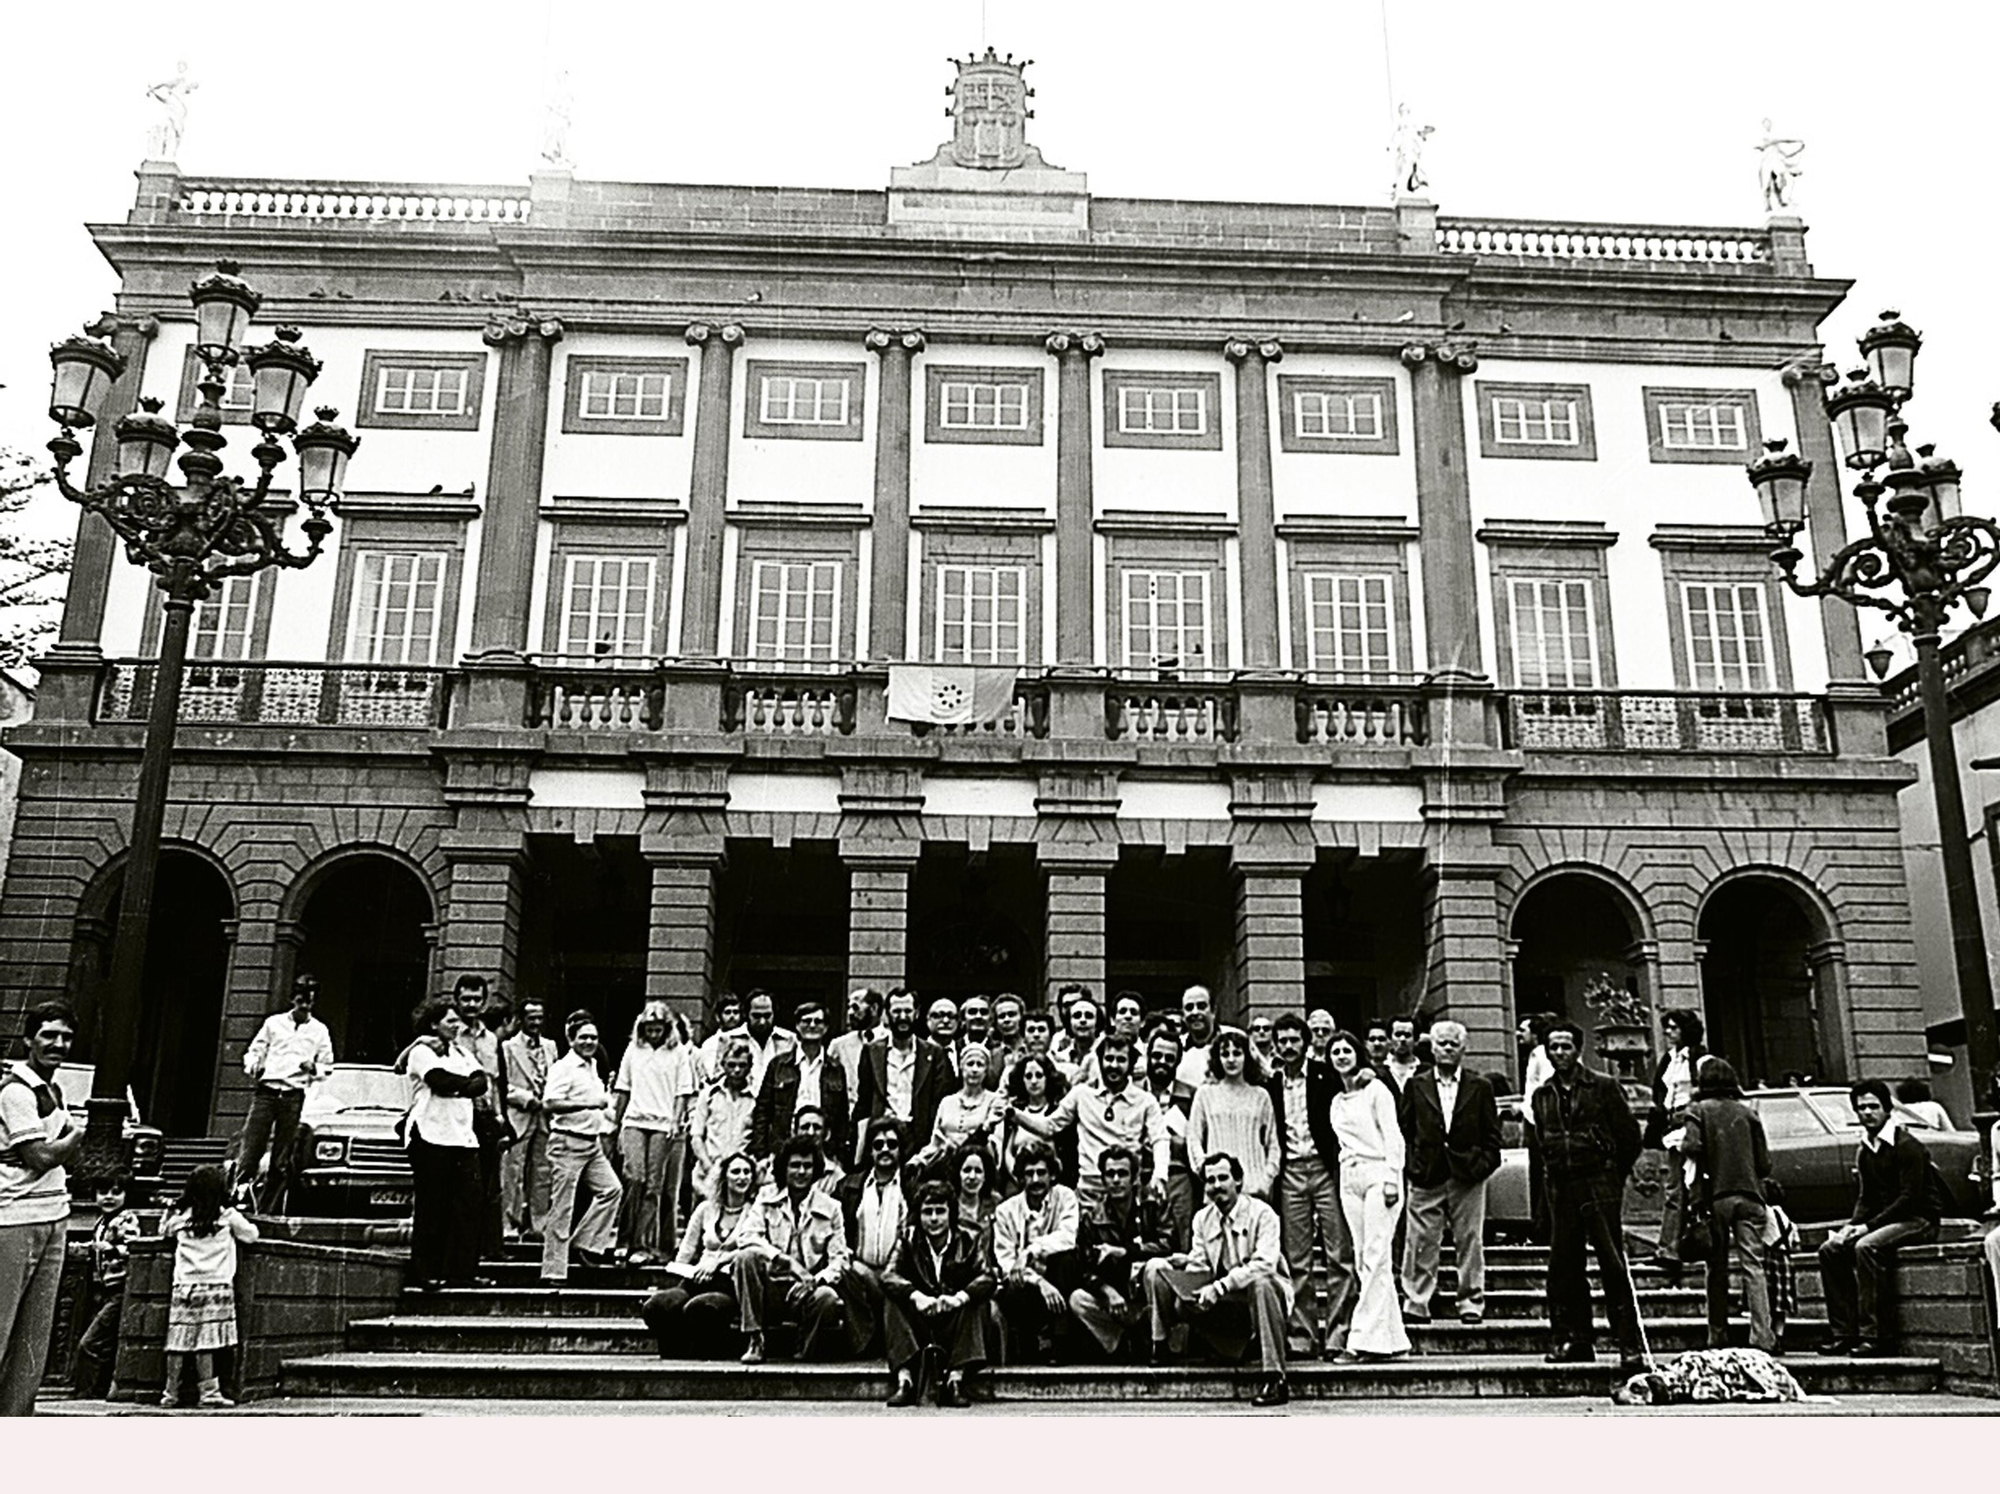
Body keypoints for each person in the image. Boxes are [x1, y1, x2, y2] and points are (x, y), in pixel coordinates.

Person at [1531, 1020, 1645, 1371]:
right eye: (1553, 1047)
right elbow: (1541, 1143)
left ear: (1577, 1050)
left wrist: (1612, 1175)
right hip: (1561, 1187)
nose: (1559, 1053)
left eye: (1565, 1046)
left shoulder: (1603, 1087)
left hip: (1598, 1183)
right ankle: (1573, 1339)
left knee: (1612, 1263)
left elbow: (1629, 1138)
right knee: (1563, 1266)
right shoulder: (1542, 1095)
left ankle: (1629, 1344)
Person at [1140, 1153, 1292, 1408]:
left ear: (1239, 1181)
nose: (1216, 1185)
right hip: (1223, 1302)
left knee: (1262, 1284)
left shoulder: (1263, 1214)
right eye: (1210, 1180)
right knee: (1158, 1269)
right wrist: (1186, 1265)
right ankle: (1168, 1345)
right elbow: (1201, 1265)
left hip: (1263, 1300)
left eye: (1223, 1178)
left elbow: (1264, 1264)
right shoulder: (1202, 1218)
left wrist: (1219, 1287)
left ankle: (1275, 1377)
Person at [1817, 1077, 1943, 1356]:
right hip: (1888, 1221)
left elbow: (1909, 1199)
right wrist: (1850, 1227)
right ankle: (1844, 1333)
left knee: (1867, 1247)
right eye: (1861, 1108)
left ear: (1887, 1109)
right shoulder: (1866, 1150)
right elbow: (1867, 1198)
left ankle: (1877, 1336)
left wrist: (1866, 1228)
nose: (1867, 1113)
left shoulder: (1907, 1146)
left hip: (1918, 1220)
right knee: (1831, 1250)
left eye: (1873, 1106)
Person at [0, 1002, 81, 1416]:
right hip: (14, 1218)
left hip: (54, 1215)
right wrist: (75, 1138)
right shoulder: (15, 1091)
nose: (58, 1044)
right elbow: (39, 1157)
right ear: (29, 1038)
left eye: (66, 1037)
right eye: (49, 1035)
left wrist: (61, 1146)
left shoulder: (55, 1090)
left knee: (34, 1337)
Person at [1399, 1018, 1502, 1327]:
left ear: (1463, 1049)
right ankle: (1417, 1301)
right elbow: (1405, 1129)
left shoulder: (1480, 1086)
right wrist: (1412, 1165)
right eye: (1441, 1043)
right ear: (1431, 1048)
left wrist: (1483, 1164)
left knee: (1469, 1239)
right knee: (1419, 1241)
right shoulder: (1415, 1085)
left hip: (1467, 1174)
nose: (1446, 1049)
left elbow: (1491, 1134)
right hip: (1427, 1173)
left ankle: (1471, 1301)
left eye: (1452, 1044)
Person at [1264, 1013, 1352, 1356]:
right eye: (1282, 1041)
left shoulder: (1326, 1077)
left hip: (1324, 1169)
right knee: (1296, 1258)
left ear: (1305, 1042)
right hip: (1291, 1173)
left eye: (1294, 1040)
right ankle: (1302, 1333)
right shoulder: (1271, 1085)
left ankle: (1339, 1332)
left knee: (1338, 1254)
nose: (1288, 1047)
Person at [1679, 1055, 1775, 1353]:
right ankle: (1763, 1336)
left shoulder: (1698, 1110)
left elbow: (1691, 1146)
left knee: (1716, 1267)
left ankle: (1717, 1334)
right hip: (1750, 1196)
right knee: (1753, 1266)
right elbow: (1765, 1164)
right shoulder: (1748, 1114)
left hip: (1716, 1198)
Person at [1324, 1029, 1409, 1361]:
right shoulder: (1336, 1100)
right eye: (1335, 1052)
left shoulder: (1377, 1090)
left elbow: (1393, 1135)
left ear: (1358, 1054)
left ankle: (1360, 1342)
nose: (1342, 1056)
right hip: (1350, 1178)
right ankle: (1393, 1341)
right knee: (1365, 1260)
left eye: (1347, 1050)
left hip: (1380, 1176)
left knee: (1376, 1255)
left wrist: (1392, 1177)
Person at [1009, 1034, 1169, 1209]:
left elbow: (1159, 1138)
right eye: (1108, 1059)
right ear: (1100, 1061)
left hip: (1126, 1192)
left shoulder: (1145, 1101)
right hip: (1088, 1192)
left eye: (1121, 1060)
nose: (1113, 1065)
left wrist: (1160, 1174)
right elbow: (1049, 1126)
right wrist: (1015, 1115)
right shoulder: (1081, 1095)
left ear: (1131, 1064)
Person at [737, 1136, 853, 1363]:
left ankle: (805, 1343)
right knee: (745, 1257)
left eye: (807, 1166)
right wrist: (785, 1261)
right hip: (769, 1289)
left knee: (827, 1297)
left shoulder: (831, 1208)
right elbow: (747, 1236)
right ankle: (755, 1337)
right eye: (795, 1165)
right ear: (784, 1168)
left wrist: (815, 1280)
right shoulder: (766, 1197)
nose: (801, 1172)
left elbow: (839, 1260)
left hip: (805, 1291)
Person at [882, 1180, 995, 1407]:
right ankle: (905, 1380)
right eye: (927, 1212)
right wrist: (916, 1296)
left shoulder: (970, 1238)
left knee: (976, 1301)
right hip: (921, 1319)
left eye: (940, 1212)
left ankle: (956, 1380)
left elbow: (988, 1277)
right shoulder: (908, 1238)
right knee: (892, 1300)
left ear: (951, 1214)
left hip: (955, 1320)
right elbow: (888, 1276)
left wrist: (958, 1298)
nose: (934, 1219)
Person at [401, 995, 487, 1292]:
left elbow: (482, 1082)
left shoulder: (462, 1053)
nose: (457, 1025)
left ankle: (461, 1272)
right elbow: (437, 1080)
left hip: (463, 1138)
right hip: (431, 1134)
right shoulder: (421, 1052)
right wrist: (464, 1086)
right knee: (432, 1205)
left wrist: (458, 1086)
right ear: (434, 1023)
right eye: (450, 1020)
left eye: (457, 1020)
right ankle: (426, 1271)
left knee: (469, 1205)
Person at [641, 1153, 762, 1357]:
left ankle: (700, 1357)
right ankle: (672, 1358)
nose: (742, 1177)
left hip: (730, 1284)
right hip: (697, 1279)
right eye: (736, 1171)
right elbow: (687, 1249)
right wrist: (679, 1270)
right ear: (724, 1177)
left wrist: (717, 1262)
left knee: (700, 1308)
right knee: (659, 1305)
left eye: (747, 1172)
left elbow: (755, 1248)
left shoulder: (756, 1211)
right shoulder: (706, 1209)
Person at [157, 1164, 258, 1409]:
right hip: (216, 1286)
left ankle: (170, 1392)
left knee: (179, 1340)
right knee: (207, 1341)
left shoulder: (183, 1217)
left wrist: (169, 1211)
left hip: (184, 1286)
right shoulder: (227, 1216)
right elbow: (252, 1235)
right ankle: (209, 1392)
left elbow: (163, 1231)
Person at [234, 975, 333, 1210]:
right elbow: (254, 1051)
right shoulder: (273, 1024)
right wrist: (254, 1066)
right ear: (292, 1000)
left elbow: (327, 1067)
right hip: (266, 1093)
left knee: (282, 1158)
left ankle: (269, 1208)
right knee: (251, 1149)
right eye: (300, 1001)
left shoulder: (319, 1031)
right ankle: (238, 1200)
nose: (305, 1007)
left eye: (309, 1002)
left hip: (292, 1096)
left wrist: (314, 1069)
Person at [540, 1013, 623, 1283]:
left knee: (611, 1190)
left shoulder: (593, 1065)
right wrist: (587, 1104)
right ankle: (553, 1270)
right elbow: (550, 1103)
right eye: (583, 1037)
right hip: (567, 1141)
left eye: (593, 1037)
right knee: (562, 1207)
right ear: (571, 1038)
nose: (589, 1042)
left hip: (592, 1143)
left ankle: (585, 1243)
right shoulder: (563, 1068)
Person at [1067, 1144, 1169, 1359]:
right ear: (1103, 1179)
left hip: (1148, 1298)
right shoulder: (1092, 1217)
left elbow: (1170, 1246)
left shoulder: (1153, 1206)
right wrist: (1107, 1291)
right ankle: (1122, 1342)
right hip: (1115, 1301)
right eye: (1110, 1174)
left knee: (1156, 1268)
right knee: (1078, 1299)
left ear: (1134, 1178)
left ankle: (1156, 1341)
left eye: (1122, 1173)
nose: (1116, 1180)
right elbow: (1083, 1268)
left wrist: (1127, 1251)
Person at [615, 1002, 696, 1264]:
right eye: (649, 1028)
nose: (653, 1033)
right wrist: (616, 1125)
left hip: (662, 1124)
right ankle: (624, 1239)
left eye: (658, 1028)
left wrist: (676, 1120)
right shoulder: (633, 1049)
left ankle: (641, 1245)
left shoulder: (678, 1052)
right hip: (635, 1121)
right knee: (633, 1178)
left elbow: (683, 1090)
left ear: (666, 1028)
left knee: (653, 1186)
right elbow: (623, 1088)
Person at [993, 1143, 1081, 1361]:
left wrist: (1030, 1252)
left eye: (1041, 1172)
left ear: (1052, 1175)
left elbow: (1068, 1237)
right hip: (1027, 1288)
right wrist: (1040, 1283)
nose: (1035, 1180)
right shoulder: (1005, 1211)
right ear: (1021, 1178)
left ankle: (1060, 1342)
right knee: (1015, 1283)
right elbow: (1006, 1262)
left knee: (1066, 1258)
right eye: (1029, 1174)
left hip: (1059, 1279)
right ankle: (1028, 1346)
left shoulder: (1065, 1197)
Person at [835, 1120, 913, 1355]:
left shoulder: (911, 1186)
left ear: (901, 1149)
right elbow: (838, 1232)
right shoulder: (849, 1186)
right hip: (861, 1270)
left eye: (892, 1144)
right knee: (847, 1272)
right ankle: (863, 1346)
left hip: (900, 1272)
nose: (885, 1149)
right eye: (878, 1144)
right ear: (870, 1150)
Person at [853, 989, 954, 1156]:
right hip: (882, 1136)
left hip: (919, 1139)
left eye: (907, 1011)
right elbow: (864, 1101)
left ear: (917, 1013)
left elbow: (939, 1102)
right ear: (887, 1014)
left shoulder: (934, 1054)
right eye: (896, 1011)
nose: (902, 1016)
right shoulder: (872, 1052)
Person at [453, 979, 513, 1258]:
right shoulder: (450, 1034)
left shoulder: (492, 1039)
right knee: (466, 1185)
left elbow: (497, 1080)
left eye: (477, 999)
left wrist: (501, 1118)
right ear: (457, 999)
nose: (471, 1004)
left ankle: (490, 1248)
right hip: (458, 1117)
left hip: (487, 1116)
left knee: (491, 1185)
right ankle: (463, 1250)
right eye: (466, 999)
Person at [752, 999, 850, 1169]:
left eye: (818, 1021)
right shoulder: (778, 1065)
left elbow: (842, 1117)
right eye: (806, 1021)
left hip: (823, 1153)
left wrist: (837, 1155)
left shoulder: (836, 1068)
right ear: (797, 1026)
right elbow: (762, 1111)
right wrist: (761, 1154)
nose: (812, 1025)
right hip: (783, 1148)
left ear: (826, 1028)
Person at [1646, 1009, 1707, 1279]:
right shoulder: (1668, 1059)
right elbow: (1661, 1091)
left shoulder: (1699, 1058)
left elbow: (1703, 1090)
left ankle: (1679, 1247)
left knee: (1691, 1188)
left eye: (1674, 1028)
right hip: (1672, 1125)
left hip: (1691, 1122)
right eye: (1667, 1027)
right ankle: (1669, 1249)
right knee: (1674, 1188)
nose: (1669, 1032)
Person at [1188, 1027, 1278, 1203]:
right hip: (1218, 1190)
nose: (1231, 1060)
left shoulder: (1260, 1096)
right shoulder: (1205, 1094)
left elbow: (1273, 1143)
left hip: (1254, 1188)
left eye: (1237, 1053)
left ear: (1246, 1056)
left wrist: (1266, 1179)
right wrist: (1206, 1172)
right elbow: (1194, 1138)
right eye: (1225, 1054)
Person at [72, 1175, 143, 1398]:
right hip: (103, 1290)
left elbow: (133, 1247)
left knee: (89, 1344)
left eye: (116, 1192)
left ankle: (86, 1392)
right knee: (103, 1344)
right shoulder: (101, 1221)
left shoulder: (126, 1219)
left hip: (119, 1289)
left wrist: (111, 1249)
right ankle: (96, 1389)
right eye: (103, 1192)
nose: (109, 1197)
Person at [501, 997, 558, 1242]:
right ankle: (508, 1225)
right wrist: (527, 1098)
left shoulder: (551, 1046)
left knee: (543, 1171)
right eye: (531, 1017)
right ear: (521, 1019)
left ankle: (539, 1225)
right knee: (512, 1171)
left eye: (539, 1017)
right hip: (520, 1115)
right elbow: (503, 1086)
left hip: (545, 1117)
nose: (536, 1022)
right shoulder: (507, 1048)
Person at [912, 1041, 1007, 1177]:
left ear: (986, 1070)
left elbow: (996, 1146)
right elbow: (934, 1144)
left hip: (977, 1172)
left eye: (980, 1065)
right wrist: (917, 1161)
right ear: (961, 1067)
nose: (974, 1070)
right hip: (944, 1170)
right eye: (970, 1064)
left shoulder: (994, 1101)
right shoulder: (947, 1102)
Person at [1141, 1026, 1197, 1249]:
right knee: (1144, 1241)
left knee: (1183, 1240)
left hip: (1179, 1177)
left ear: (1178, 1061)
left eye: (1169, 1058)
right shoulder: (1134, 1093)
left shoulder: (1192, 1095)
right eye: (1156, 1056)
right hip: (1141, 1177)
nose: (1161, 1062)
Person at [1613, 1346, 1807, 1406]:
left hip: (1755, 1364)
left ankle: (1774, 1392)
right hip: (1739, 1375)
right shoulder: (1685, 1379)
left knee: (1749, 1363)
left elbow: (1717, 1390)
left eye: (1636, 1389)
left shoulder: (1693, 1382)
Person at [691, 1039, 758, 1199]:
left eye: (742, 1065)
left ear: (750, 1067)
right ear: (722, 1064)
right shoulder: (709, 1095)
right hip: (709, 1171)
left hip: (742, 1175)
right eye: (731, 1065)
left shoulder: (756, 1098)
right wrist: (708, 1166)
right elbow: (696, 1136)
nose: (736, 1070)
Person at [1003, 1052, 1071, 1187]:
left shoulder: (1058, 1111)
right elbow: (1007, 1152)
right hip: (1017, 1183)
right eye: (1028, 1076)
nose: (1033, 1081)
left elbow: (1065, 1156)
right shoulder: (1014, 1111)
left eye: (1039, 1075)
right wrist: (1019, 1177)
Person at [738, 990, 797, 1094]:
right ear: (746, 1014)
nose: (762, 1022)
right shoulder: (727, 1039)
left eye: (767, 1016)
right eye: (756, 1016)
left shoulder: (790, 1040)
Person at [829, 987, 885, 1094]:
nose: (850, 1013)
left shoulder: (891, 1042)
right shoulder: (838, 1045)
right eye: (849, 1007)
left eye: (855, 1007)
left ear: (874, 1008)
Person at [950, 1145, 1002, 1259]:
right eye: (967, 1170)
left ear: (985, 1176)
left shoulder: (996, 1203)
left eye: (978, 1171)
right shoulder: (949, 1204)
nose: (972, 1176)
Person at [696, 992, 746, 1084]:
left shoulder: (747, 1039)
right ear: (718, 1017)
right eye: (727, 1012)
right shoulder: (709, 1043)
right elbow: (707, 1073)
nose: (732, 1016)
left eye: (735, 1012)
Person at [1175, 986, 1216, 1089]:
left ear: (1213, 1011)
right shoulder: (1176, 1046)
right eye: (1189, 1008)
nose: (1195, 1012)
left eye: (1201, 1006)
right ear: (1183, 1015)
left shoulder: (1234, 1037)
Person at [1384, 1016, 1425, 1095]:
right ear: (1389, 1039)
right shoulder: (1380, 1072)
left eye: (1407, 1035)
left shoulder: (1427, 1071)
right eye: (1398, 1035)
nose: (1402, 1039)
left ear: (1416, 1040)